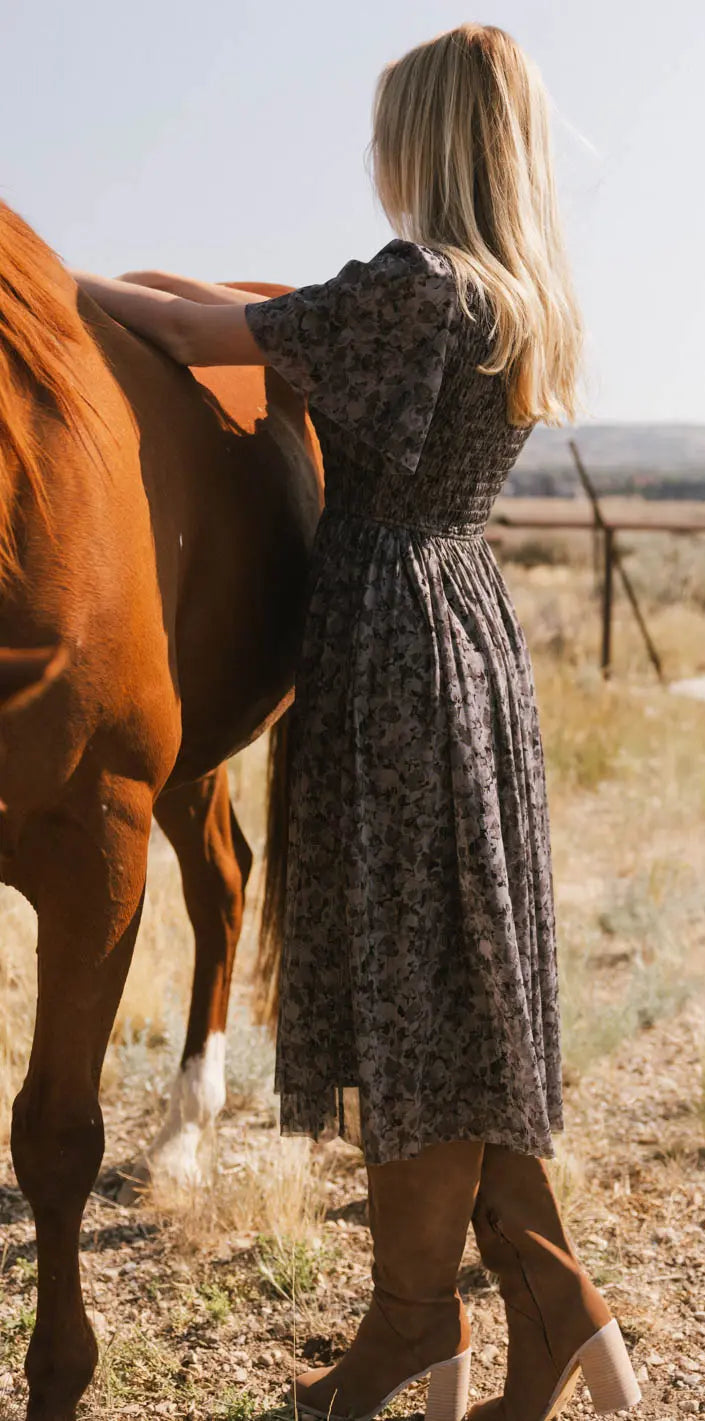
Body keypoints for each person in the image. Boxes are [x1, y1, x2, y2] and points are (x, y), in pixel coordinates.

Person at [73, 23, 641, 1421]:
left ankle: (424, 1330)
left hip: (389, 644)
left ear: (429, 142)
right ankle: (526, 1323)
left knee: (413, 1000)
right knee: (450, 995)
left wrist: (41, 277)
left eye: (390, 130)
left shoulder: (410, 285)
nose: (375, 156)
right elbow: (256, 318)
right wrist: (164, 291)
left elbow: (219, 338)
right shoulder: (506, 296)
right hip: (467, 628)